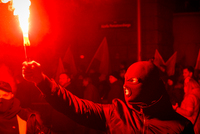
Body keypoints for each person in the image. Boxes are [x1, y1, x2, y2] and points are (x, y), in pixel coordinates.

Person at [22, 60, 194, 133]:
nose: (126, 86)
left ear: (150, 86)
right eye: (125, 80)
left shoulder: (179, 127)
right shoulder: (116, 114)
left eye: (133, 81)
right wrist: (42, 80)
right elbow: (74, 106)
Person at [173, 66, 200, 134]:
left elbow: (189, 113)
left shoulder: (190, 97)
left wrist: (176, 109)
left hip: (190, 127)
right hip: (195, 126)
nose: (184, 87)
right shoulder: (196, 94)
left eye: (186, 85)